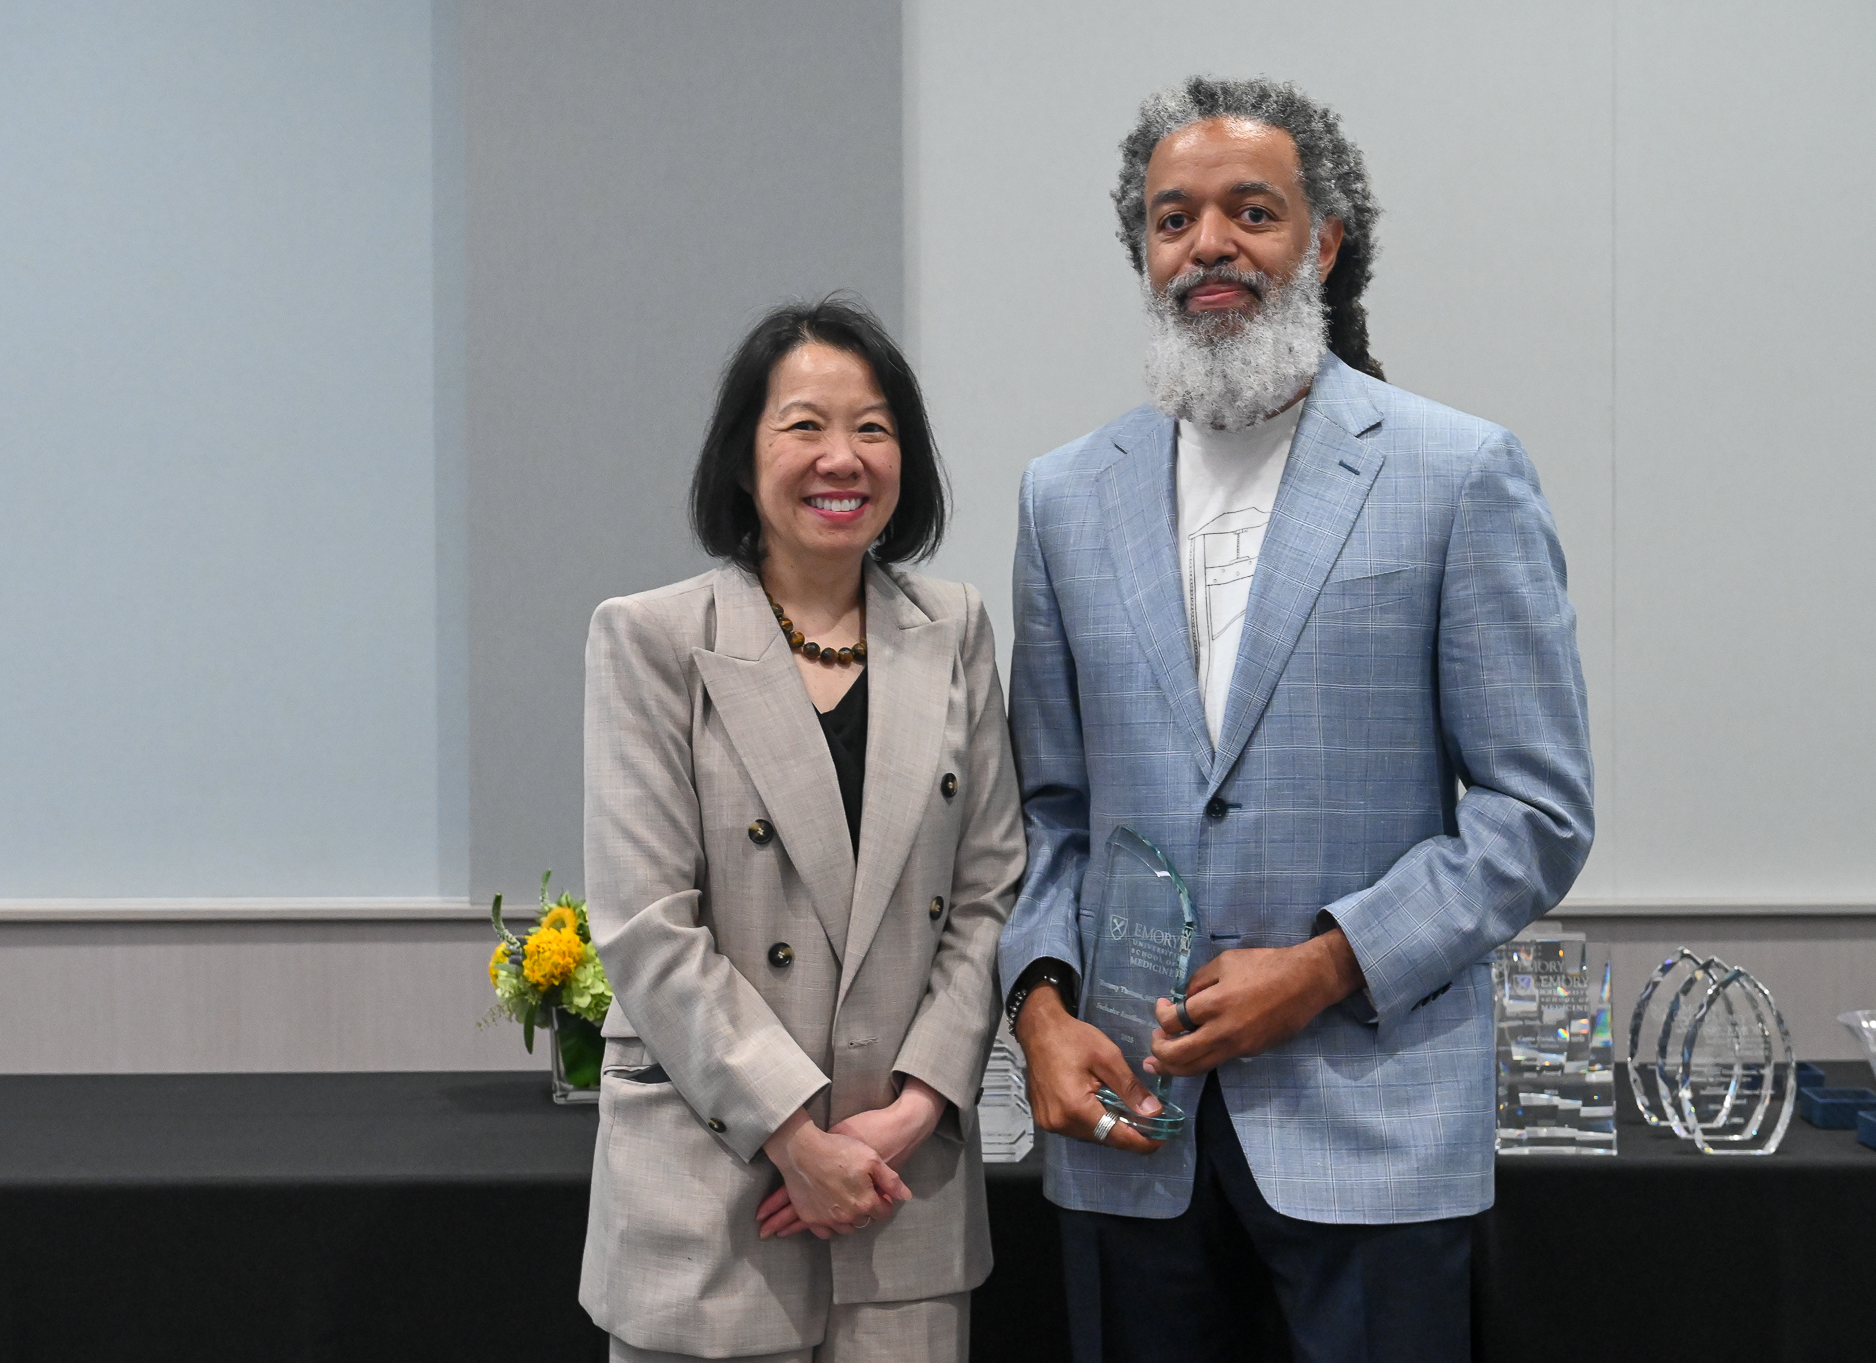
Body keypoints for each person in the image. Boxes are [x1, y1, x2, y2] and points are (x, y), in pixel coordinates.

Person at [998, 77, 1595, 1363]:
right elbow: (1047, 816)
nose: (1206, 244)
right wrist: (1039, 1008)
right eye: (1171, 219)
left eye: (1250, 211)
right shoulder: (1061, 498)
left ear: (1322, 242)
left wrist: (1327, 964)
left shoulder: (1456, 471)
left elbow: (1536, 812)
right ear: (1144, 255)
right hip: (1128, 1126)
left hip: (1370, 1129)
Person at [580, 297, 1025, 1363]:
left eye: (872, 428)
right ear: (744, 458)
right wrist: (795, 1137)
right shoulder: (651, 638)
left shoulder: (954, 629)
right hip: (716, 1185)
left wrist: (912, 1112)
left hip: (899, 1189)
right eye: (804, 426)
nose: (842, 458)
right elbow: (646, 924)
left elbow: (992, 889)